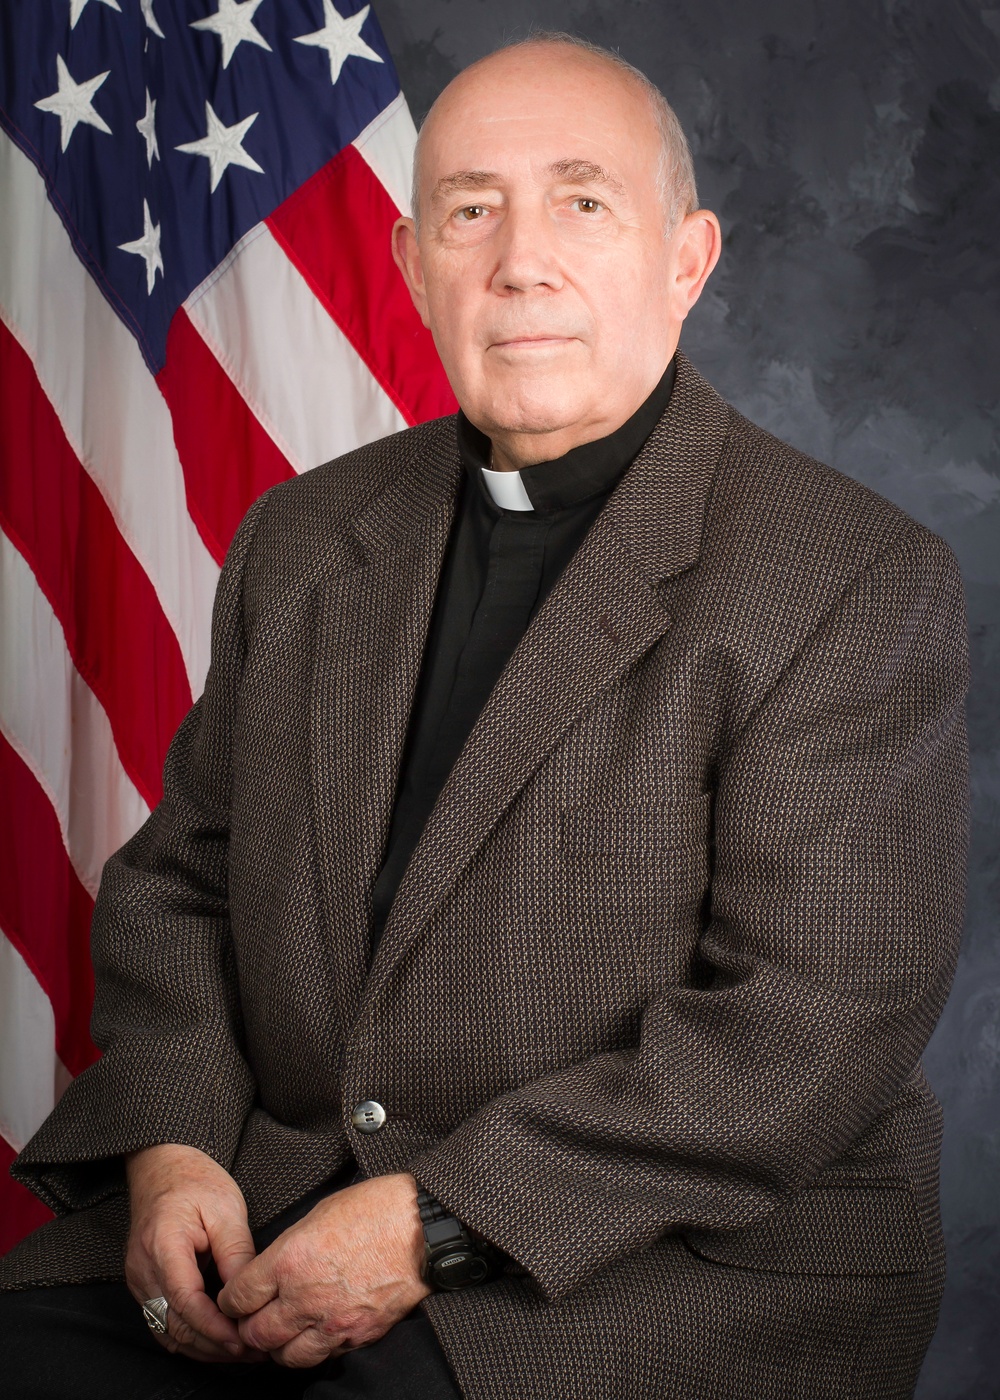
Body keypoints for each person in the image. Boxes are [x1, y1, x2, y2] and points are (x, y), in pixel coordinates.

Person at [0, 31, 969, 1400]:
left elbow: (806, 1025)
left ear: (687, 260)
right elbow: (182, 890)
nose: (521, 261)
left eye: (582, 201)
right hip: (276, 1197)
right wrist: (171, 1149)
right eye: (469, 210)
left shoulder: (846, 577)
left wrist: (431, 1222)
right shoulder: (303, 536)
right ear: (412, 265)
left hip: (647, 1269)